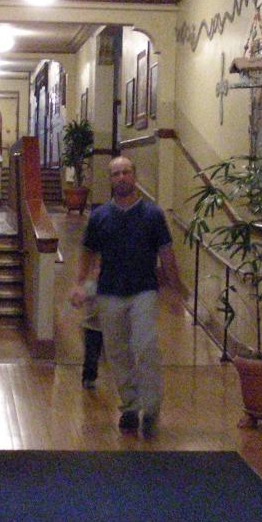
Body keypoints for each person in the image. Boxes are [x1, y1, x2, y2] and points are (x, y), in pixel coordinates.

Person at [70, 155, 182, 434]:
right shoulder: (99, 217)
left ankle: (151, 408)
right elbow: (87, 252)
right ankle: (130, 406)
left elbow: (166, 254)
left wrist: (175, 290)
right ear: (110, 180)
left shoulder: (152, 215)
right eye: (116, 173)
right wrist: (79, 284)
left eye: (126, 172)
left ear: (134, 176)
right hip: (110, 293)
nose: (121, 178)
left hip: (143, 290)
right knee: (118, 353)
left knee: (145, 347)